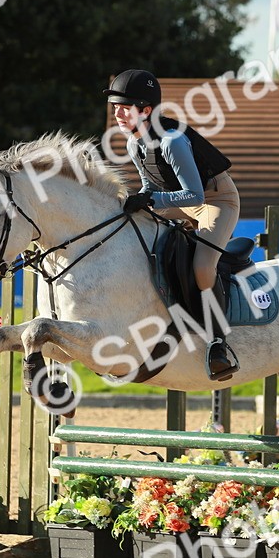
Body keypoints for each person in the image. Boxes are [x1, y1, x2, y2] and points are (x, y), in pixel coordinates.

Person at [104, 68, 242, 381]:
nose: (117, 114)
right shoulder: (134, 144)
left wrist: (151, 200)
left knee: (202, 267)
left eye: (124, 108)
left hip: (216, 202)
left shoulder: (172, 142)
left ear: (145, 110)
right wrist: (139, 199)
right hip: (181, 203)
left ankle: (218, 343)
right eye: (115, 108)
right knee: (129, 227)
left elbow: (194, 195)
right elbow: (151, 186)